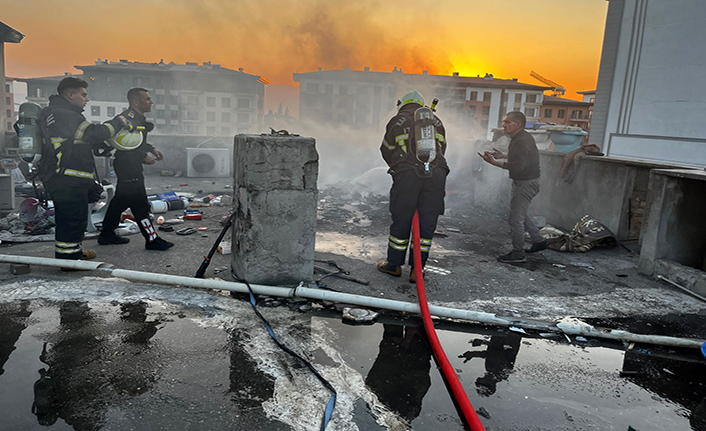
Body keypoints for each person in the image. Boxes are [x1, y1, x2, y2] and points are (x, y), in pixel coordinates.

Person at [41, 77, 127, 261]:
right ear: (70, 94)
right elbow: (93, 132)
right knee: (72, 220)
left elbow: (77, 141)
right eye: (83, 95)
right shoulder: (64, 114)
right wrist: (118, 122)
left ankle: (73, 253)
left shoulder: (55, 113)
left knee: (73, 218)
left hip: (64, 177)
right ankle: (69, 259)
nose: (86, 99)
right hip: (67, 178)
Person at [377, 90, 449, 283]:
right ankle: (417, 270)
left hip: (407, 175)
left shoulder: (398, 120)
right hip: (436, 174)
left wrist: (398, 166)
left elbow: (386, 149)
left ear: (403, 104)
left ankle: (394, 265)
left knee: (402, 219)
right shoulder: (436, 121)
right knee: (427, 223)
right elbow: (442, 148)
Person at [98, 88, 173, 251]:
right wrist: (142, 157)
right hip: (128, 164)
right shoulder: (126, 119)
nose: (151, 102)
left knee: (120, 201)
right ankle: (152, 239)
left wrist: (151, 149)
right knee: (139, 204)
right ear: (136, 102)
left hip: (128, 164)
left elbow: (135, 141)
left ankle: (106, 234)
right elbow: (122, 143)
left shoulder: (138, 118)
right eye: (147, 99)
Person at [478, 111, 547, 263]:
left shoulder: (522, 140)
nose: (504, 125)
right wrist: (502, 155)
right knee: (521, 213)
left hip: (526, 183)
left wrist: (494, 163)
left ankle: (518, 253)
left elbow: (518, 167)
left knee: (515, 219)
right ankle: (539, 241)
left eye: (507, 122)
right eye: (504, 121)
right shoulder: (519, 138)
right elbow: (521, 156)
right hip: (526, 182)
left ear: (518, 125)